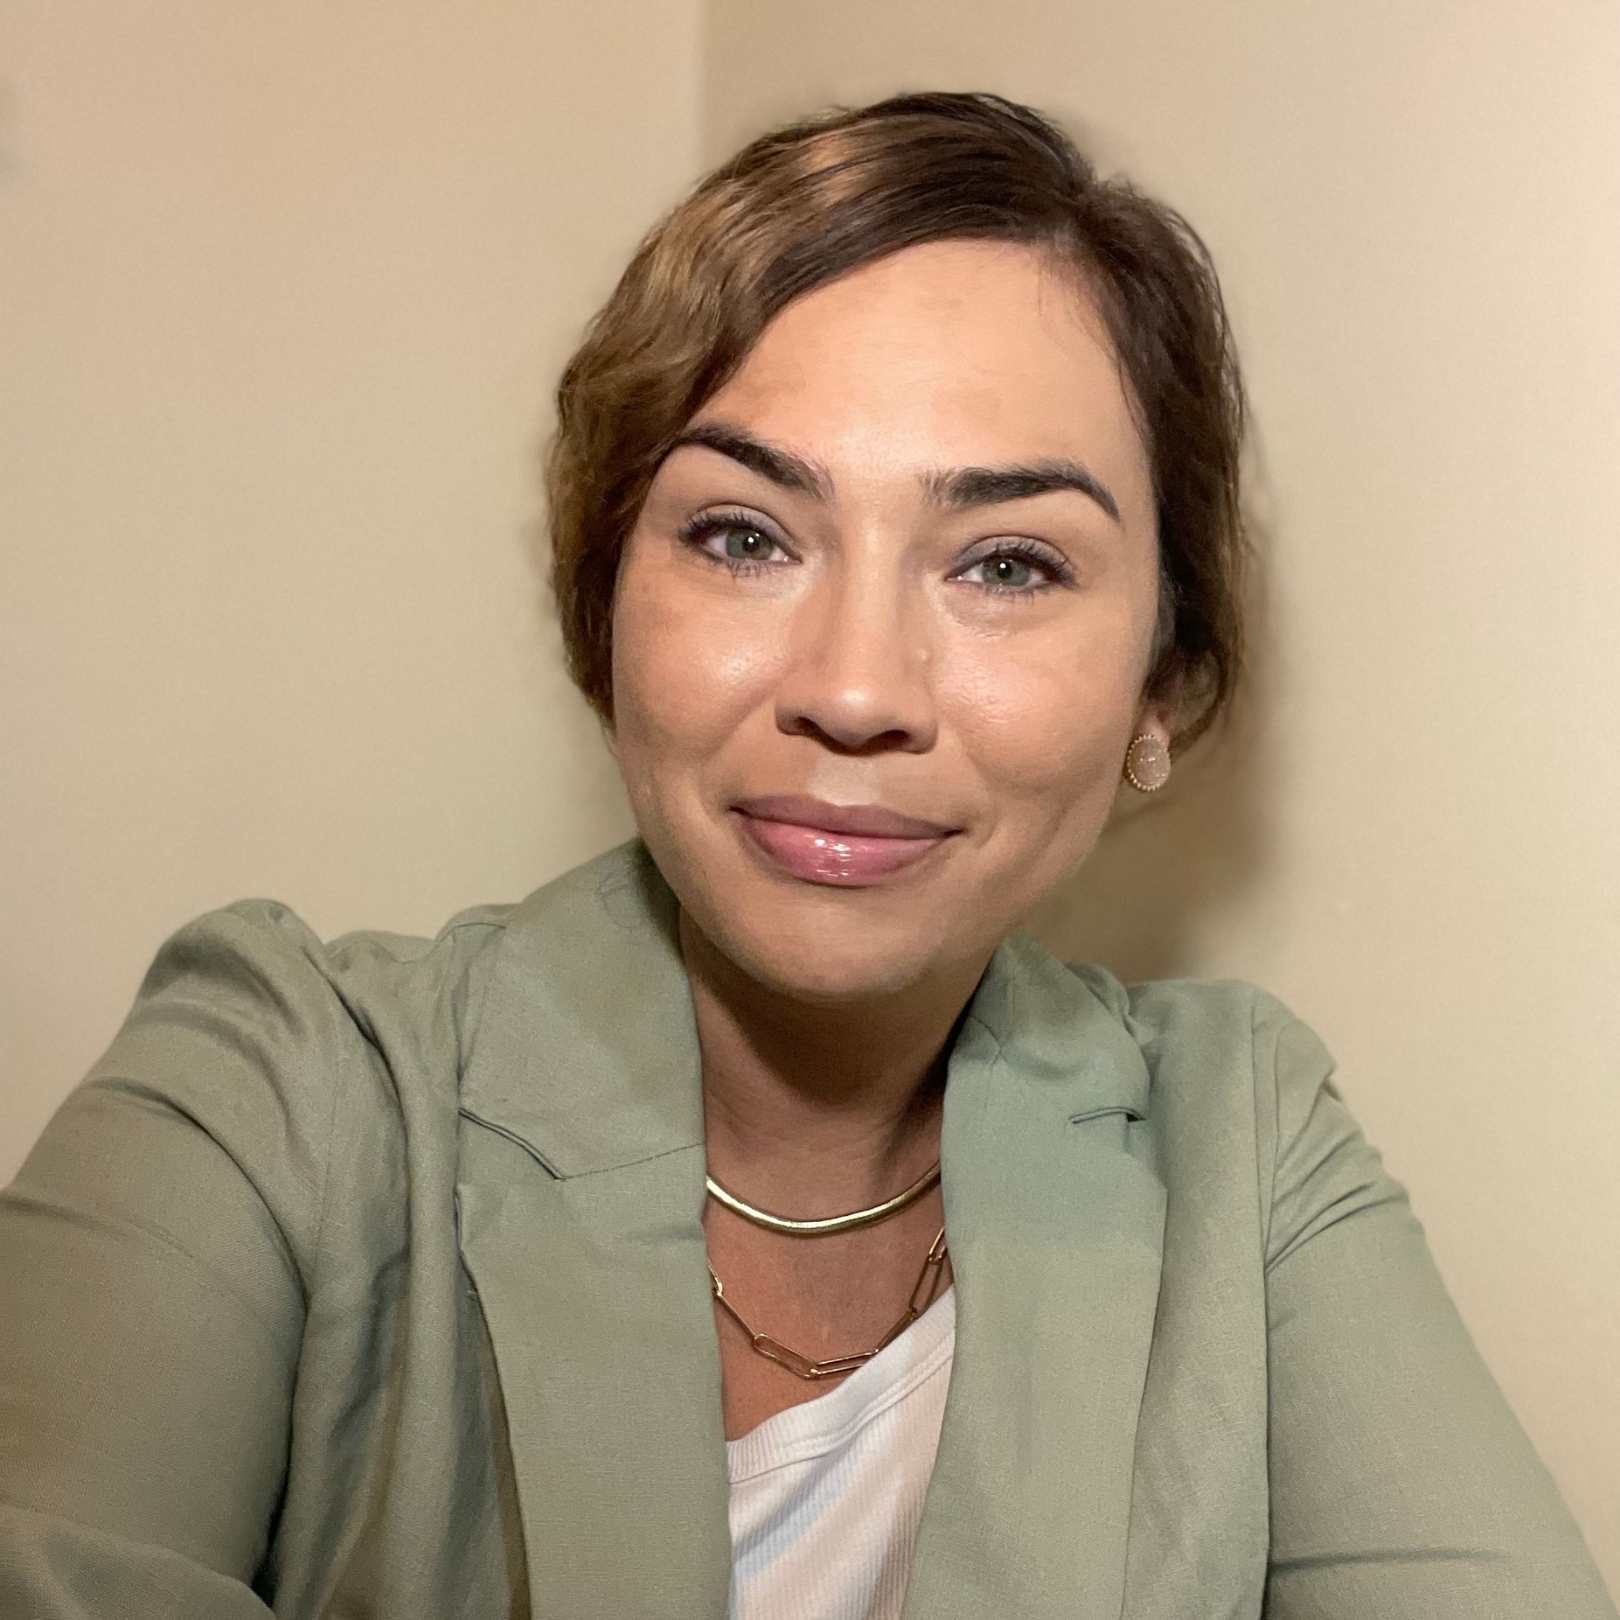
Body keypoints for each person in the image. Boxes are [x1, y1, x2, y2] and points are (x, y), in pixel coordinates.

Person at [0, 91, 1612, 1620]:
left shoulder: (1241, 1146)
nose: (851, 689)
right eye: (743, 535)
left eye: (1006, 562)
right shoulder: (276, 1088)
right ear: (605, 608)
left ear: (1160, 690)